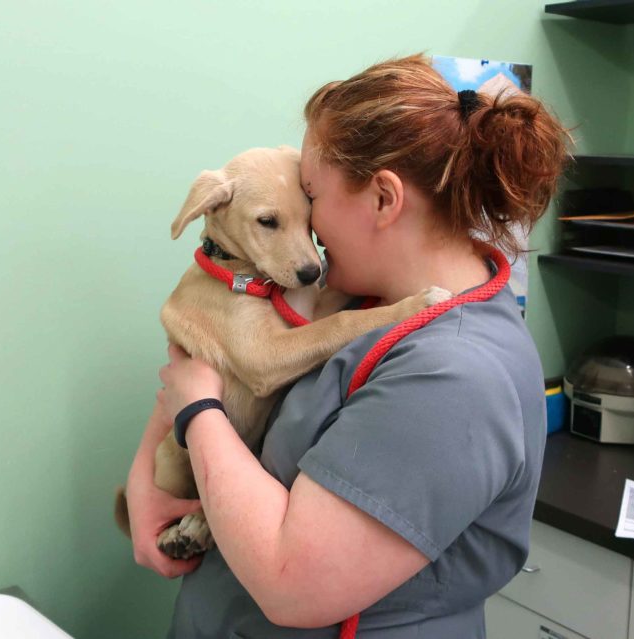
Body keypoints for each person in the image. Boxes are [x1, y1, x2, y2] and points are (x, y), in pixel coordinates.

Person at [125, 53, 570, 638]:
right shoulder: (368, 300)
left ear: (384, 200)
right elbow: (204, 361)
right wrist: (144, 484)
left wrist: (198, 414)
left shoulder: (453, 378)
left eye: (311, 197)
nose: (308, 238)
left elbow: (292, 582)